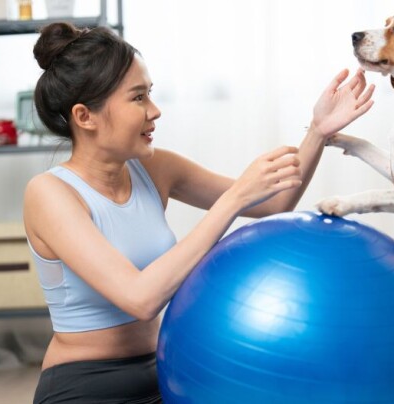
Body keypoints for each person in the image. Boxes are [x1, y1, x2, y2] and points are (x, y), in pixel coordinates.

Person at [24, 22, 374, 403]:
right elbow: (139, 298)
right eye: (138, 98)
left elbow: (273, 204)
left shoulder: (155, 168)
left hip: (163, 373)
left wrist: (318, 132)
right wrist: (234, 198)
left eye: (150, 95)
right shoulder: (50, 193)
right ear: (84, 116)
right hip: (84, 386)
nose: (154, 111)